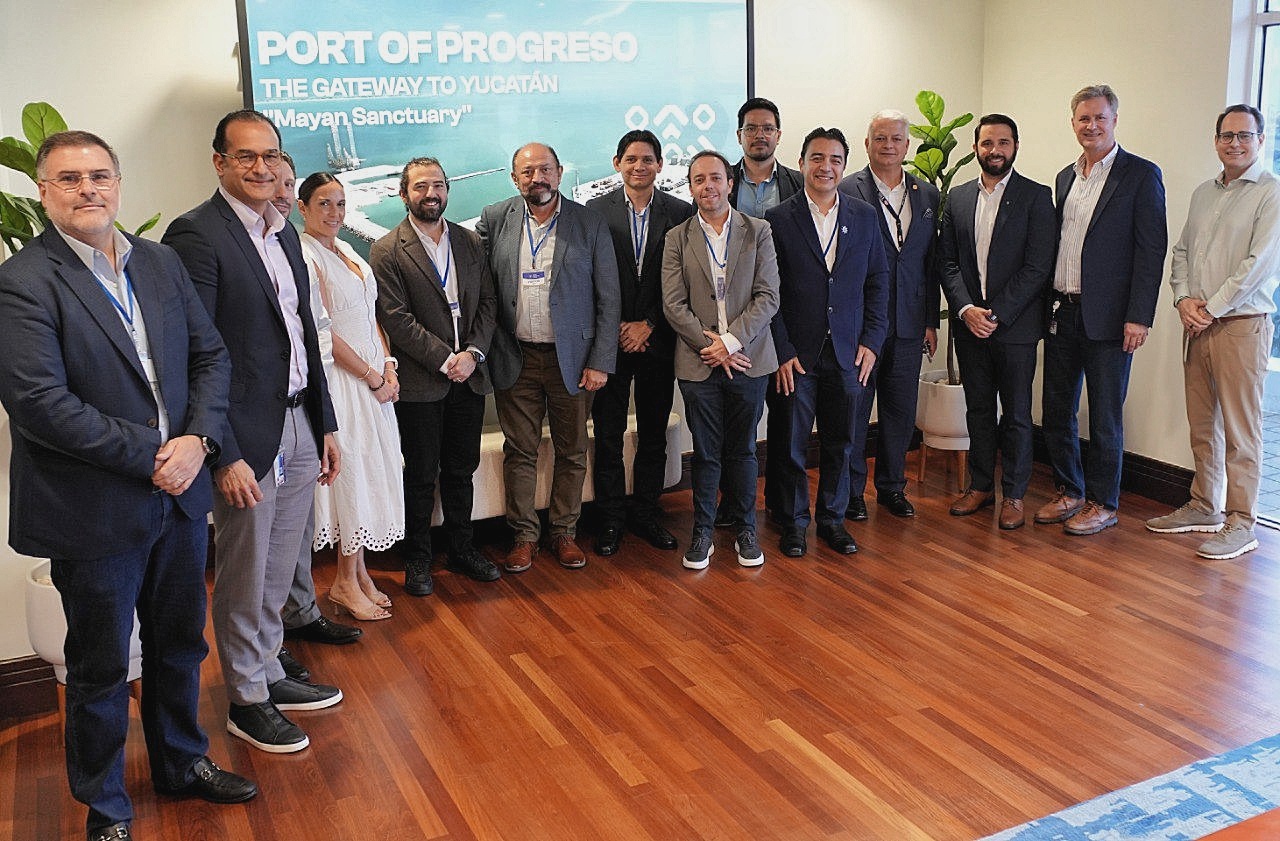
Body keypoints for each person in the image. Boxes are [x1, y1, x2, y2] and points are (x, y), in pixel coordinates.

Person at [0, 130, 256, 841]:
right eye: (69, 178)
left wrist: (199, 441)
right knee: (101, 665)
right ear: (43, 192)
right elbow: (39, 404)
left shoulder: (160, 262)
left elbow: (211, 357)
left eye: (99, 175)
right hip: (94, 509)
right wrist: (155, 454)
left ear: (118, 183)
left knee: (180, 645)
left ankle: (181, 762)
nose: (88, 189)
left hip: (180, 498)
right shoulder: (23, 281)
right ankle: (106, 806)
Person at [163, 109, 344, 754]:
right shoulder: (197, 234)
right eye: (246, 156)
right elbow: (196, 351)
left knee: (282, 562)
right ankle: (246, 698)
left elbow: (304, 333)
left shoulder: (283, 230)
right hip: (244, 435)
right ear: (220, 162)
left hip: (298, 420)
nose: (262, 167)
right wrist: (223, 453)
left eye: (271, 155)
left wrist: (324, 421)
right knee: (245, 570)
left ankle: (267, 669)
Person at [476, 142, 621, 573]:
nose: (536, 178)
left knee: (571, 450)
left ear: (558, 173)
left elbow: (609, 298)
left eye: (544, 170)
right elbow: (478, 285)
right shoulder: (495, 218)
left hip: (571, 360)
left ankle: (564, 532)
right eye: (527, 172)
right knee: (519, 451)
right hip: (515, 356)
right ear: (514, 178)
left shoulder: (589, 222)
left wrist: (601, 360)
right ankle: (523, 537)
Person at [1145, 104, 1280, 559]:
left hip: (1241, 326)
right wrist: (1184, 299)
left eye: (1244, 135)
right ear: (1216, 140)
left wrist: (1212, 308)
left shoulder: (1272, 193)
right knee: (1203, 425)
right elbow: (1182, 251)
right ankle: (1205, 506)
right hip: (1197, 323)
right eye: (1226, 135)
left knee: (1242, 431)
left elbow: (1258, 266)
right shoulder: (1205, 192)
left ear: (1260, 140)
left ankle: (1242, 522)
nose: (1234, 143)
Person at [1037, 84, 1167, 535]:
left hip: (1112, 320)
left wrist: (1140, 316)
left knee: (1106, 415)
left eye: (1100, 117)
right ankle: (1069, 491)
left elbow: (1151, 251)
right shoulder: (1065, 177)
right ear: (1073, 123)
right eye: (1083, 118)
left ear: (1114, 120)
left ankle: (1103, 502)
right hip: (1063, 311)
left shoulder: (1141, 175)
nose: (1091, 125)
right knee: (1057, 409)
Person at [371, 156, 500, 595]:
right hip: (424, 383)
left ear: (447, 189)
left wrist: (473, 354)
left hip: (470, 376)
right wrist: (448, 360)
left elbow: (487, 303)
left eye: (438, 185)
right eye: (421, 186)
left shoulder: (469, 241)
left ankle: (463, 549)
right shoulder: (387, 249)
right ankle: (418, 558)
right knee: (421, 474)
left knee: (462, 469)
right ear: (403, 193)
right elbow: (396, 319)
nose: (431, 194)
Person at [768, 127, 889, 556]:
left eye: (835, 159)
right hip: (796, 356)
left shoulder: (864, 215)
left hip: (849, 352)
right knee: (791, 443)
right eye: (817, 158)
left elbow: (878, 281)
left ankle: (833, 521)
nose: (826, 167)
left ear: (844, 166)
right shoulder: (778, 219)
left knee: (843, 441)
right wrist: (782, 351)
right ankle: (793, 523)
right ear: (801, 163)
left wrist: (872, 341)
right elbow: (768, 294)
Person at [662, 149, 780, 570]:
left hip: (749, 359)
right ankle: (703, 532)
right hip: (699, 364)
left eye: (715, 178)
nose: (707, 186)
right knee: (707, 453)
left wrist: (730, 342)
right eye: (699, 180)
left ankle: (746, 530)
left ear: (730, 183)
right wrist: (711, 347)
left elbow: (768, 296)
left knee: (744, 450)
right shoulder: (677, 238)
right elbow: (673, 305)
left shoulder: (758, 230)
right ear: (691, 188)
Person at [269, 153, 360, 685]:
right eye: (276, 184)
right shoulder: (247, 243)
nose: (281, 192)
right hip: (268, 414)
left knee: (299, 523)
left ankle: (301, 612)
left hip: (308, 400)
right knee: (269, 537)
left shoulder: (286, 243)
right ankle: (268, 646)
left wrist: (324, 419)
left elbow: (316, 329)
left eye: (287, 182)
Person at [298, 172, 406, 616]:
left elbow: (368, 314)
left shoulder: (345, 248)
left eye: (340, 203)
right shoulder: (306, 256)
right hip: (345, 383)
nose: (335, 213)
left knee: (372, 471)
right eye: (324, 203)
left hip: (373, 380)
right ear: (302, 208)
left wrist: (388, 365)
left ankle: (359, 573)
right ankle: (343, 580)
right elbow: (324, 334)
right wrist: (371, 375)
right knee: (352, 476)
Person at [940, 115, 1056, 529]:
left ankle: (1016, 494)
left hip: (1016, 327)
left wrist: (997, 312)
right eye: (987, 143)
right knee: (978, 410)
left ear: (1015, 146)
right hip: (970, 325)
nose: (995, 150)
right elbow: (947, 262)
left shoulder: (1036, 197)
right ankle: (980, 487)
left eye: (1003, 142)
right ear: (975, 148)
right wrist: (965, 309)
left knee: (1018, 414)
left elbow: (1038, 266)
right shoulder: (957, 198)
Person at [586, 130, 693, 556]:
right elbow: (589, 277)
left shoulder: (681, 212)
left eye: (648, 159)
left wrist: (648, 324)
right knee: (608, 435)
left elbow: (684, 280)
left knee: (653, 434)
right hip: (609, 343)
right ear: (617, 164)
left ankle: (647, 513)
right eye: (631, 159)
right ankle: (610, 520)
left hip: (658, 341)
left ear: (660, 165)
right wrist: (615, 325)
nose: (639, 166)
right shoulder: (595, 212)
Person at [839, 109, 941, 521]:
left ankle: (892, 488)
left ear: (907, 145)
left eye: (896, 138)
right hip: (862, 325)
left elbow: (930, 263)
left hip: (910, 324)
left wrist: (931, 320)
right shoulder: (846, 189)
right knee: (855, 411)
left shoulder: (927, 194)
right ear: (867, 143)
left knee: (900, 411)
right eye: (880, 138)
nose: (888, 145)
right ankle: (851, 493)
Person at [720, 97, 802, 528]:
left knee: (786, 420)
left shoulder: (798, 183)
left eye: (767, 128)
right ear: (740, 136)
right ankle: (734, 506)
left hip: (785, 319)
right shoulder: (720, 181)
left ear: (778, 135)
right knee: (737, 424)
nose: (759, 135)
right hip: (735, 324)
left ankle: (782, 507)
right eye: (751, 128)